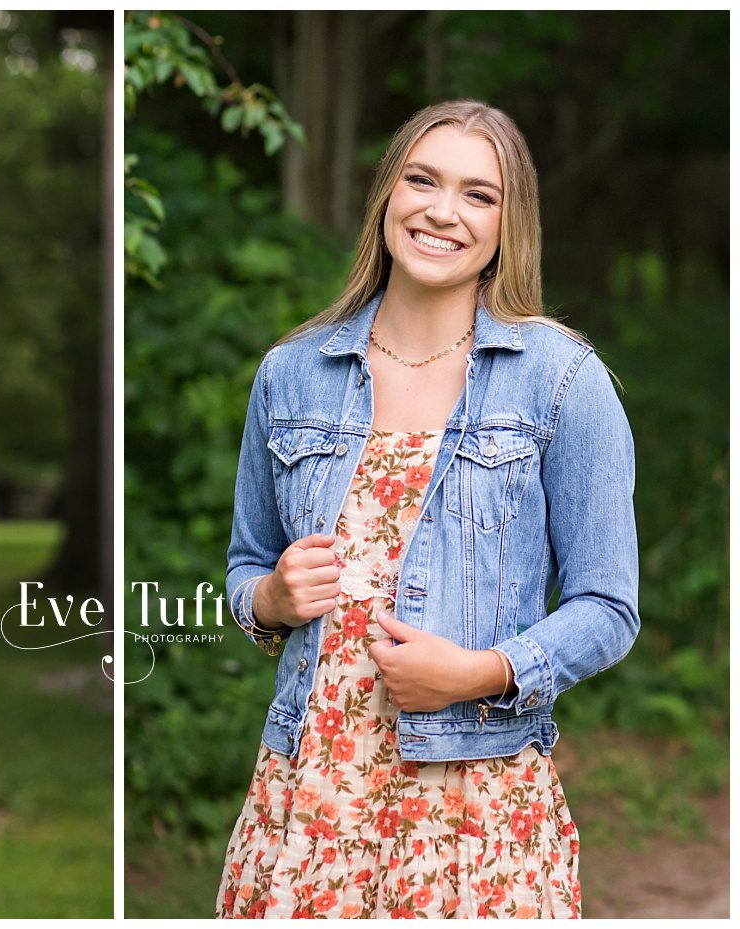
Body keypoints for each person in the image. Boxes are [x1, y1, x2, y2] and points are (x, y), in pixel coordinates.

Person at [216, 101, 639, 918]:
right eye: (423, 179)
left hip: (474, 806)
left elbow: (608, 606)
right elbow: (246, 564)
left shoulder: (561, 379)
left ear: (509, 225)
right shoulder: (290, 373)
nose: (444, 211)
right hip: (311, 799)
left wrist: (479, 672)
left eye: (479, 195)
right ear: (387, 196)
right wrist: (268, 598)